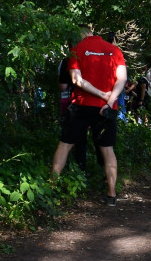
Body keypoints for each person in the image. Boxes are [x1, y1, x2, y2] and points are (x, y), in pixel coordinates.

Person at [51, 26, 127, 206]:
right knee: (107, 150)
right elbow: (122, 79)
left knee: (64, 145)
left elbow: (76, 80)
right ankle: (111, 195)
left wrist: (101, 95)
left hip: (81, 106)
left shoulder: (77, 50)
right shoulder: (115, 50)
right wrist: (109, 100)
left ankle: (51, 190)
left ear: (79, 36)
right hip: (106, 108)